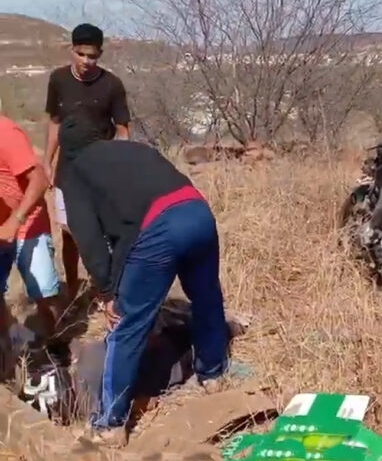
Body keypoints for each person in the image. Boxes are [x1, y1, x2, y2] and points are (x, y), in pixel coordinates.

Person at [57, 115, 228, 447]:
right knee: (207, 298)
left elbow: (88, 240)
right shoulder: (136, 150)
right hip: (198, 212)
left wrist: (106, 291)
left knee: (129, 324)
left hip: (159, 228)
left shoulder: (74, 173)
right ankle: (213, 375)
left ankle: (110, 425)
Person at [43, 23, 131, 300]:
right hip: (67, 169)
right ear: (72, 51)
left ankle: (104, 285)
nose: (86, 62)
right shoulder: (58, 80)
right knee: (69, 232)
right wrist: (47, 160)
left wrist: (120, 165)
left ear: (100, 54)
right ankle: (71, 287)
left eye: (92, 56)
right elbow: (54, 122)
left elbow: (123, 130)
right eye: (81, 55)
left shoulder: (112, 85)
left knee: (103, 228)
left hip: (100, 168)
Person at [0, 115, 62, 339]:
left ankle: (56, 347)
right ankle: (6, 353)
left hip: (27, 221)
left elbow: (40, 180)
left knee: (44, 294)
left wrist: (15, 220)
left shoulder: (5, 132)